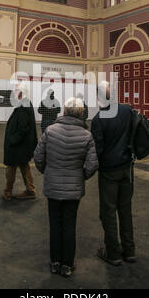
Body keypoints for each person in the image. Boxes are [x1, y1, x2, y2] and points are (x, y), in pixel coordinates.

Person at [34, 97, 98, 277]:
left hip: (52, 187)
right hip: (74, 189)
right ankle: (67, 265)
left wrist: (47, 172)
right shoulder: (87, 135)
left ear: (63, 112)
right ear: (81, 114)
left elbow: (38, 157)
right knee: (70, 225)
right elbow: (92, 165)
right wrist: (81, 176)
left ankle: (55, 262)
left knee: (55, 225)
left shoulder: (50, 131)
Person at [91, 81, 136, 266]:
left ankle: (113, 253)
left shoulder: (98, 119)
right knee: (125, 210)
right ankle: (130, 250)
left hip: (109, 171)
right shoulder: (128, 111)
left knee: (108, 212)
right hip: (127, 168)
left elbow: (97, 149)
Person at [3, 82, 38, 201]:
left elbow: (23, 128)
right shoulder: (25, 104)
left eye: (16, 90)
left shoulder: (23, 106)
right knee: (24, 166)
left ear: (21, 92)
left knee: (11, 168)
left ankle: (7, 192)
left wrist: (12, 140)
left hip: (18, 146)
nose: (14, 92)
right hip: (23, 146)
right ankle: (30, 190)